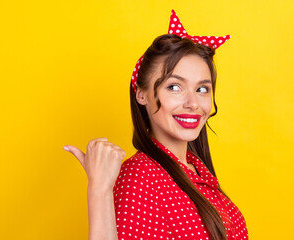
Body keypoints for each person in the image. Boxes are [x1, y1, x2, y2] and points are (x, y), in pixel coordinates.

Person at [64, 9, 248, 240]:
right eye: (174, 87)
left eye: (202, 89)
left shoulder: (196, 170)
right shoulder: (141, 176)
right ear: (141, 94)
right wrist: (99, 190)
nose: (193, 103)